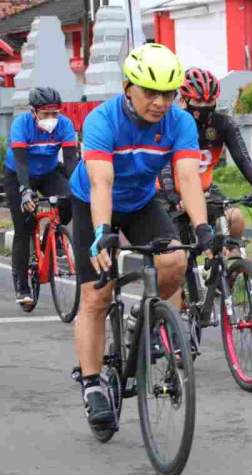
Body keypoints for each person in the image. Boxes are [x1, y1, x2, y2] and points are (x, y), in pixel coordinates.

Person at [69, 43, 212, 429]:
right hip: (93, 202)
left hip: (140, 202)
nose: (160, 102)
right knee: (96, 295)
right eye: (151, 92)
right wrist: (102, 233)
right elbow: (101, 182)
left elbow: (187, 177)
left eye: (168, 93)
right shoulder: (103, 120)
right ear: (128, 87)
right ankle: (92, 385)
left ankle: (143, 317)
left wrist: (202, 227)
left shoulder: (180, 122)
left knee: (175, 260)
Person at [157, 67, 252, 244]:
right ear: (183, 101)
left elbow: (242, 158)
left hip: (205, 191)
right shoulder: (170, 123)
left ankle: (231, 256)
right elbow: (163, 164)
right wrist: (174, 197)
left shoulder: (223, 124)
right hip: (168, 193)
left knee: (235, 218)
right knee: (179, 246)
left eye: (210, 101)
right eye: (198, 101)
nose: (205, 107)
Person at [4, 87, 78, 304]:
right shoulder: (21, 125)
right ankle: (22, 286)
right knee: (23, 229)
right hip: (19, 174)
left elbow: (71, 161)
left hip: (48, 172)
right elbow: (21, 162)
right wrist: (25, 191)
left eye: (55, 113)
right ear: (33, 112)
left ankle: (54, 234)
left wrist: (80, 188)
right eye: (46, 114)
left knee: (70, 198)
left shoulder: (64, 125)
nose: (51, 118)